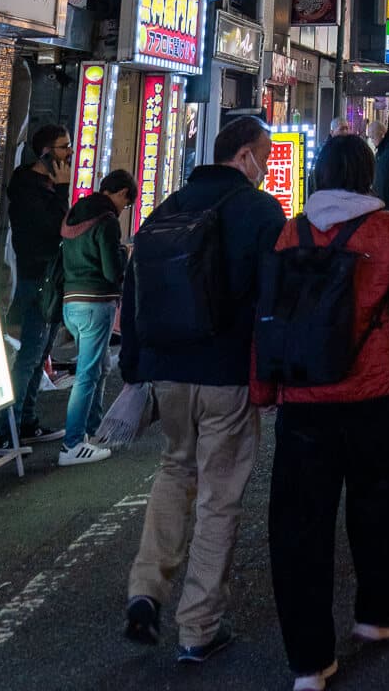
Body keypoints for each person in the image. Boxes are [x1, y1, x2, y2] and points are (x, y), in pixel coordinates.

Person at [253, 133, 389, 691]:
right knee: (374, 505)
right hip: (371, 396)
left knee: (300, 527)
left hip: (304, 401)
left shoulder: (294, 230)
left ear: (321, 174)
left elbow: (270, 315)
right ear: (367, 175)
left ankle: (310, 662)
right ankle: (376, 614)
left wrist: (263, 388)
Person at [121, 116, 286, 659]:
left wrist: (136, 363)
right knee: (219, 496)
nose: (267, 166)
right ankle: (198, 625)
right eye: (264, 155)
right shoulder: (261, 212)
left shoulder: (169, 205)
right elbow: (274, 298)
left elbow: (135, 284)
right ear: (243, 156)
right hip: (226, 373)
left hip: (169, 369)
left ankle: (145, 590)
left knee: (174, 471)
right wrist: (274, 372)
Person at [0, 122, 72, 449]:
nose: (70, 153)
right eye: (64, 147)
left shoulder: (44, 185)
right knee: (29, 356)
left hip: (50, 279)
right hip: (37, 280)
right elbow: (56, 228)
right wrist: (63, 191)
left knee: (39, 354)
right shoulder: (28, 188)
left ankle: (26, 422)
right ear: (45, 152)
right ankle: (8, 432)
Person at [58, 167, 136, 467]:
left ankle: (94, 429)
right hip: (95, 303)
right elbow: (111, 270)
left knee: (100, 366)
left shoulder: (75, 212)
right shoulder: (106, 221)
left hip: (71, 302)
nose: (123, 208)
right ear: (120, 193)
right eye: (126, 202)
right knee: (87, 374)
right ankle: (73, 444)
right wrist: (124, 253)